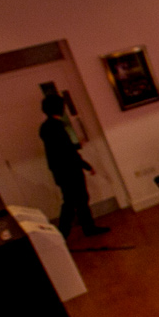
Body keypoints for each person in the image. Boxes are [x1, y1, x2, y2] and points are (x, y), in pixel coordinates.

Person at [38, 95, 107, 239]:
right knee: (78, 200)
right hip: (70, 170)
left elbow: (58, 148)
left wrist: (75, 146)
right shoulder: (57, 126)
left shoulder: (45, 127)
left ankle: (67, 232)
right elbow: (67, 151)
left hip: (60, 171)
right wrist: (86, 165)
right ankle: (78, 230)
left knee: (70, 202)